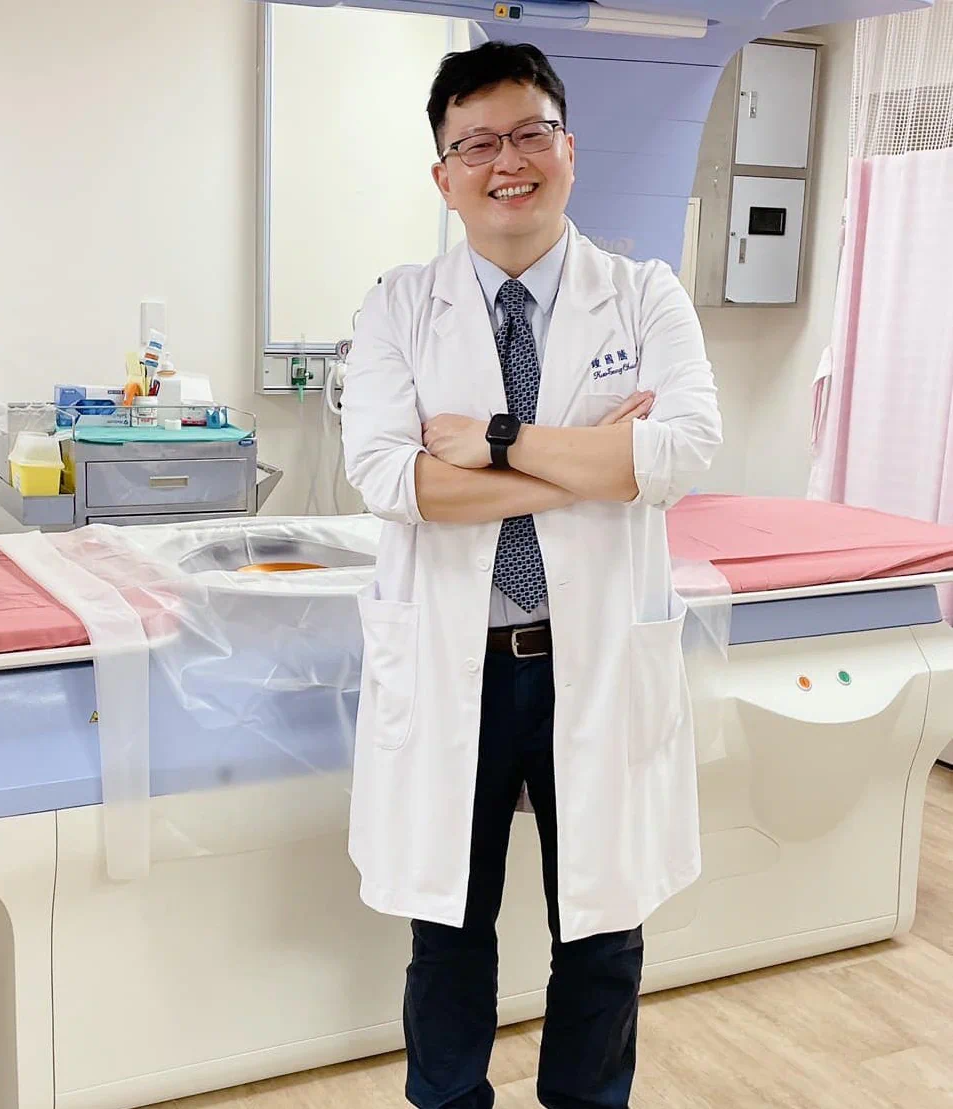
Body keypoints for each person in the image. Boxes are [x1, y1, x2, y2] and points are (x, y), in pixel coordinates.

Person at [340, 39, 722, 1109]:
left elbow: (681, 453)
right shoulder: (398, 305)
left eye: (529, 134)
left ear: (568, 149)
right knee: (447, 926)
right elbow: (390, 478)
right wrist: (593, 462)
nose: (506, 161)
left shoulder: (643, 296)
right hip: (455, 659)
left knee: (601, 926)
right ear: (444, 175)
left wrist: (494, 439)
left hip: (589, 658)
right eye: (476, 144)